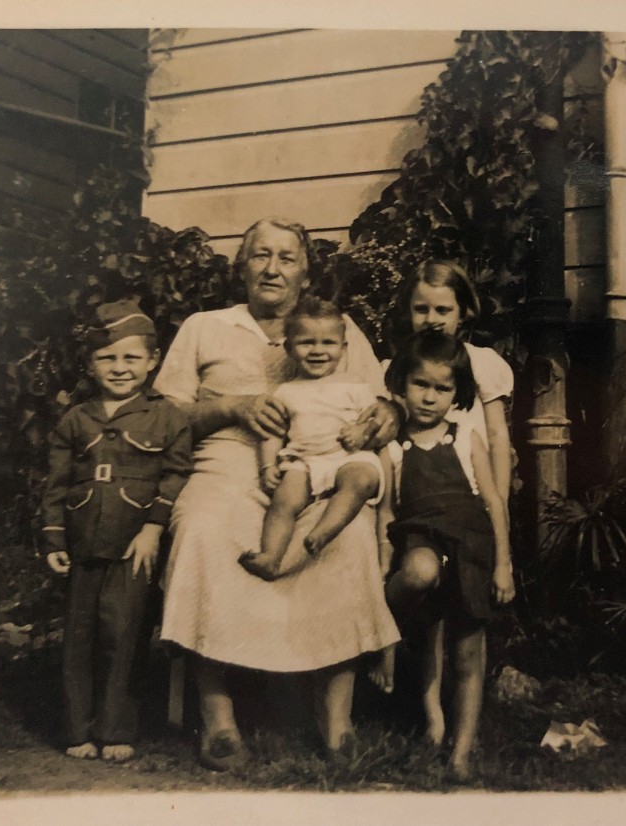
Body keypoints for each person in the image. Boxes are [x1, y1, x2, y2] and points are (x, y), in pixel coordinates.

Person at [154, 217, 401, 770]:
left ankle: (335, 720)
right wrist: (228, 407)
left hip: (321, 468)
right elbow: (161, 416)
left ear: (305, 271)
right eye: (260, 256)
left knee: (351, 534)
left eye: (287, 258)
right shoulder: (205, 326)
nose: (272, 268)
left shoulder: (335, 327)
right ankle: (218, 720)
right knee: (202, 528)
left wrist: (384, 416)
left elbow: (381, 403)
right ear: (241, 268)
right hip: (225, 465)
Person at [40, 300, 192, 763]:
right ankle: (77, 729)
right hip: (84, 540)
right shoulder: (76, 419)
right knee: (79, 637)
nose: (120, 368)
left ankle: (117, 729)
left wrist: (152, 529)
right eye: (107, 358)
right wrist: (53, 538)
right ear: (90, 365)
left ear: (152, 361)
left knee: (123, 633)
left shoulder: (168, 416)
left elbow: (175, 476)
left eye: (131, 358)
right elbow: (56, 485)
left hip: (134, 544)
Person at [375, 329, 515, 781]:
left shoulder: (464, 437)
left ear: (456, 393)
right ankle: (418, 691)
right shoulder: (394, 447)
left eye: (442, 388)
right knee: (419, 577)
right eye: (421, 385)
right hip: (421, 540)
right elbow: (388, 513)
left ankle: (461, 752)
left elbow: (493, 501)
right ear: (401, 384)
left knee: (467, 653)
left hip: (472, 545)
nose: (430, 398)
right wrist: (383, 570)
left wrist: (503, 563)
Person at [238, 296, 383, 581]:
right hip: (304, 461)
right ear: (290, 348)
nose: (318, 351)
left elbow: (375, 417)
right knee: (283, 501)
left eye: (328, 343)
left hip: (347, 456)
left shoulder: (354, 384)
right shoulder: (285, 392)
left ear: (343, 348)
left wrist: (361, 431)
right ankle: (271, 557)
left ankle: (324, 531)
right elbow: (273, 434)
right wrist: (268, 467)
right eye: (307, 343)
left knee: (361, 480)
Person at [398, 260, 513, 503]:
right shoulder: (401, 366)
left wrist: (499, 502)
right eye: (421, 309)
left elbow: (496, 434)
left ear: (462, 313)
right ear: (408, 311)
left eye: (442, 310)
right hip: (418, 488)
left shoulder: (479, 361)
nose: (431, 319)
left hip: (472, 489)